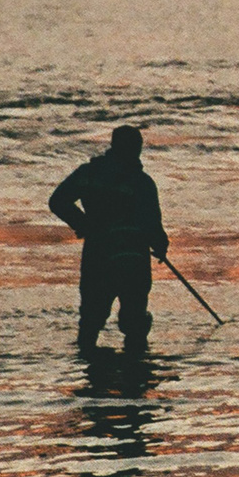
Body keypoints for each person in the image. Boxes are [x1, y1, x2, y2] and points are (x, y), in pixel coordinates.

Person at [48, 125, 167, 355]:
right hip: (133, 259)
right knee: (134, 324)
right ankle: (134, 374)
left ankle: (92, 373)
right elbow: (154, 226)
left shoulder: (88, 174)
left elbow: (58, 201)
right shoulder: (142, 183)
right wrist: (160, 245)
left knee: (91, 322)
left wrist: (83, 224)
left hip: (98, 255)